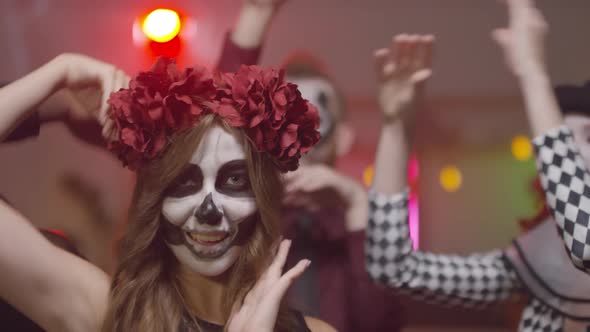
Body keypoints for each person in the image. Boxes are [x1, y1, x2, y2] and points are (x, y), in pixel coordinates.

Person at [0, 53, 334, 331]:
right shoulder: (110, 315)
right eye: (183, 182)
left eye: (233, 181)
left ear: (261, 195)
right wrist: (61, 72)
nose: (208, 211)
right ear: (155, 200)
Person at [364, 1, 590, 331]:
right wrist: (396, 125)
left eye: (588, 135)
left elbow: (584, 241)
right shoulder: (539, 262)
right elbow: (393, 269)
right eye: (561, 135)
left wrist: (532, 71)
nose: (568, 150)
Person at [217, 2, 405, 331]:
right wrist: (257, 14)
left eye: (315, 121)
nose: (299, 135)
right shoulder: (241, 210)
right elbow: (216, 114)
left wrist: (358, 206)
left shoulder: (351, 225)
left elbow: (378, 321)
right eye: (284, 117)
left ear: (344, 137)